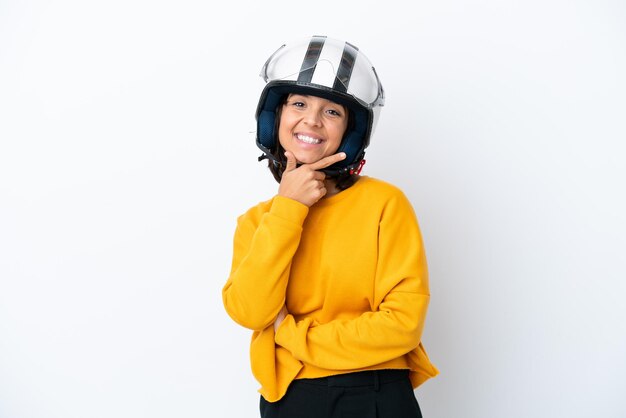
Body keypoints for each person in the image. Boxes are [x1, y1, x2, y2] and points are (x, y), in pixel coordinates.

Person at [222, 35, 439, 418]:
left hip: (374, 392)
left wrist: (293, 335)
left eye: (332, 111)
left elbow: (402, 325)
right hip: (288, 399)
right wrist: (289, 207)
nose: (311, 120)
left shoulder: (384, 204)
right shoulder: (257, 222)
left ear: (349, 131)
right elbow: (251, 313)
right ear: (277, 115)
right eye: (299, 104)